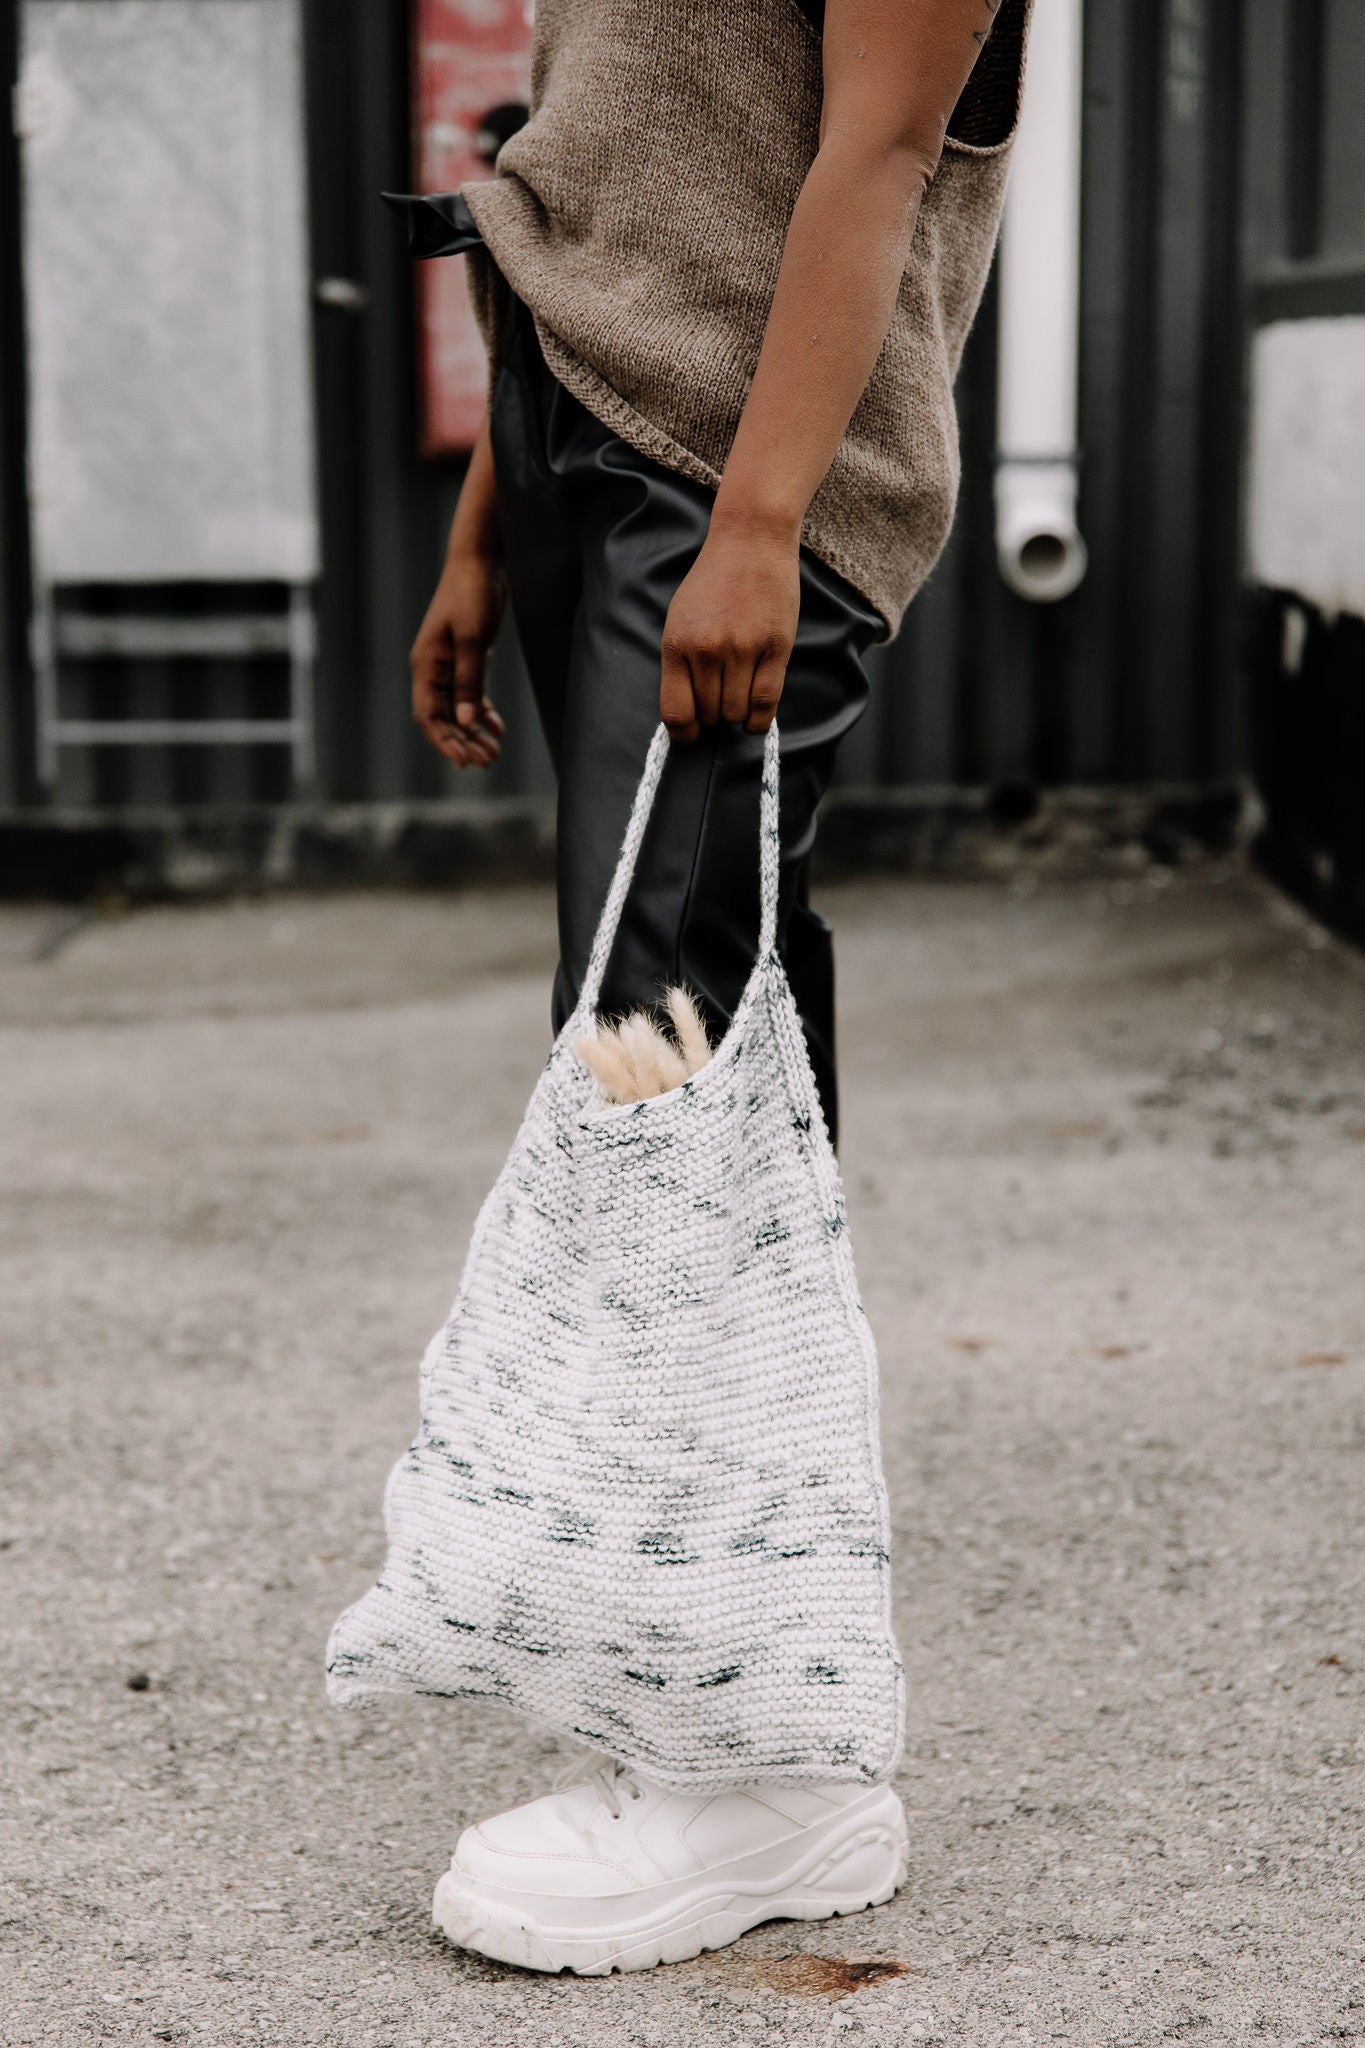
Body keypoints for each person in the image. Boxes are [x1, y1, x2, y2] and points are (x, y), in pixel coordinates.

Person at [402, 0, 1030, 1975]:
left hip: (731, 482)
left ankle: (753, 1763)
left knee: (661, 1078)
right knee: (675, 1064)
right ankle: (763, 1701)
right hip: (600, 457)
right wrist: (493, 522)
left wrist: (760, 523)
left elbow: (871, 158)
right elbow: (593, 172)